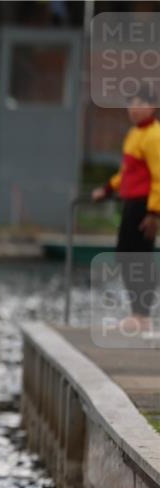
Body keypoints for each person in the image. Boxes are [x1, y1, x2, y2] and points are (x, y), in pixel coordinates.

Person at [93, 85, 159, 333]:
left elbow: (159, 177)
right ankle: (136, 313)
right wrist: (108, 188)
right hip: (131, 203)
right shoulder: (134, 134)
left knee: (140, 259)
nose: (135, 108)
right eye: (132, 103)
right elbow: (126, 173)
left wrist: (154, 213)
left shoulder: (154, 136)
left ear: (152, 107)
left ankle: (143, 316)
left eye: (141, 103)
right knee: (125, 256)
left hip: (145, 206)